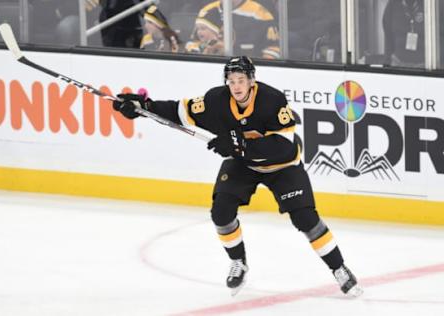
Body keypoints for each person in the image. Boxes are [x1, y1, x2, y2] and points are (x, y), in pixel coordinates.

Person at [111, 56, 364, 297]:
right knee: (221, 213)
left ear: (252, 81)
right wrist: (144, 107)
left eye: (241, 80)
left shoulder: (272, 100)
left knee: (306, 220)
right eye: (231, 81)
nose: (236, 86)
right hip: (243, 164)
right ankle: (238, 262)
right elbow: (180, 111)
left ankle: (339, 268)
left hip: (283, 167)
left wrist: (240, 146)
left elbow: (284, 146)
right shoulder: (215, 100)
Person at [197, 0, 280, 59]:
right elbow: (192, 44)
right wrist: (205, 54)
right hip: (213, 66)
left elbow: (274, 48)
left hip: (248, 68)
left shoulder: (261, 14)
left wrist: (261, 67)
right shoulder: (206, 11)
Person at [382, 0, 425, 67]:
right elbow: (388, 37)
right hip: (398, 63)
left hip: (423, 65)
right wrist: (386, 64)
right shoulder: (392, 4)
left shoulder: (428, 4)